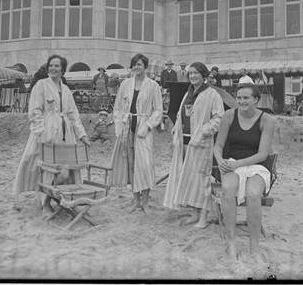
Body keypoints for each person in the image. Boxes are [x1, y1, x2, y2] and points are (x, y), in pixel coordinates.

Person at [13, 54, 90, 216]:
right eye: (51, 66)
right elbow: (35, 111)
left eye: (57, 66)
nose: (53, 69)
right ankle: (45, 204)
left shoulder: (67, 90)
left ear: (62, 69)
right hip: (46, 132)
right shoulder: (41, 85)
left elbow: (73, 114)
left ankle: (62, 199)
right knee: (46, 168)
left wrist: (81, 134)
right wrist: (40, 132)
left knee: (64, 168)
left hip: (65, 134)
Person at [213, 83, 276, 260]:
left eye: (246, 98)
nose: (241, 101)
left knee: (254, 194)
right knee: (227, 190)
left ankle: (254, 246)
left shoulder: (267, 120)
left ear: (256, 99)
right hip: (232, 162)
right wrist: (221, 161)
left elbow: (263, 154)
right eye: (239, 98)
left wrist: (239, 164)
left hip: (257, 164)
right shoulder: (229, 116)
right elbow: (218, 146)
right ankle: (231, 241)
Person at [163, 62, 224, 228]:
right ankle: (195, 213)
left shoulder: (212, 95)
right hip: (185, 141)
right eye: (190, 73)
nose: (193, 76)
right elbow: (179, 115)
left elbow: (218, 118)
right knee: (190, 178)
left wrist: (203, 131)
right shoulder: (187, 94)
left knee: (202, 179)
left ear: (204, 75)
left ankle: (204, 217)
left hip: (202, 142)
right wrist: (177, 128)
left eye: (196, 73)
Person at [110, 54, 163, 214]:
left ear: (145, 66)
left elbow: (158, 109)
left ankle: (146, 201)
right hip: (128, 127)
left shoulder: (153, 85)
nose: (136, 67)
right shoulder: (125, 84)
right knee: (131, 165)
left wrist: (148, 125)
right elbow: (117, 107)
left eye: (139, 64)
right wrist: (120, 125)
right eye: (133, 65)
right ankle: (136, 201)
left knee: (145, 164)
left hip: (143, 128)